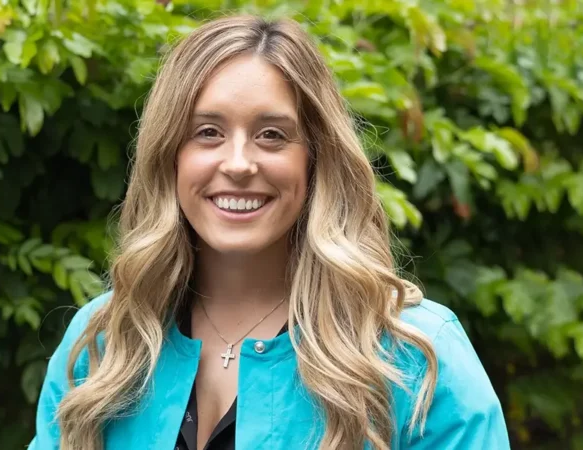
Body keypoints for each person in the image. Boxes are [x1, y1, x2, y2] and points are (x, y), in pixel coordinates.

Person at [28, 14, 511, 450]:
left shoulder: (413, 355)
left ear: (316, 159)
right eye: (207, 133)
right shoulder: (105, 343)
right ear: (170, 156)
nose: (238, 164)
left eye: (272, 135)